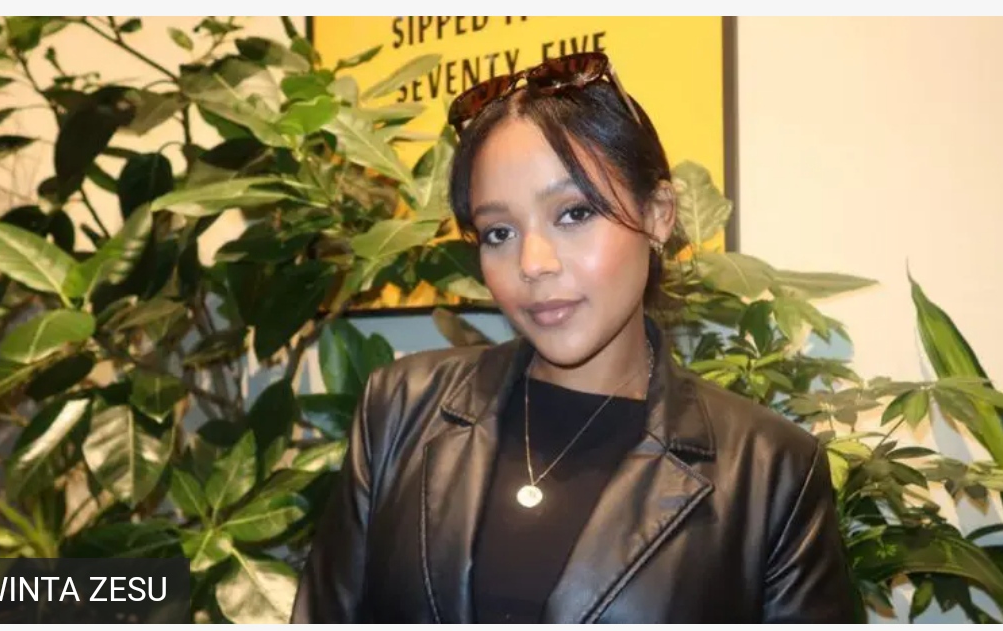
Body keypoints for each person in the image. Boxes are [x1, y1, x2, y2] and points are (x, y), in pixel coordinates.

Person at [290, 51, 857, 623]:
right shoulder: (401, 408)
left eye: (574, 213)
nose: (533, 264)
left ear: (658, 214)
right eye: (499, 232)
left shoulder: (767, 469)